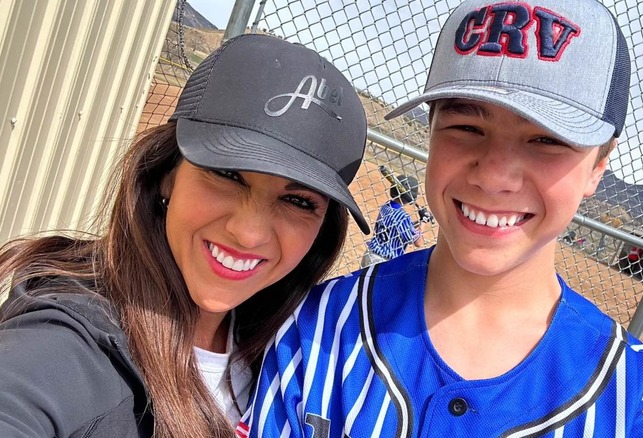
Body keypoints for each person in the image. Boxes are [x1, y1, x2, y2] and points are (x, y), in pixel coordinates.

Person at [238, 1, 643, 437]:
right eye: (467, 128)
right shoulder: (318, 327)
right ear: (431, 132)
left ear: (598, 165)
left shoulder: (637, 398)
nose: (493, 175)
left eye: (546, 140)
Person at [0, 34, 370, 438]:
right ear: (166, 176)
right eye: (228, 174)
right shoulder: (68, 345)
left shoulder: (294, 353)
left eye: (298, 202)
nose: (248, 233)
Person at [360, 173, 428, 267]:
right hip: (383, 262)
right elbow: (418, 242)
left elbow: (403, 227)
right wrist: (424, 221)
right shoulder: (403, 217)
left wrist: (419, 221)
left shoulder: (386, 206)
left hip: (370, 254)